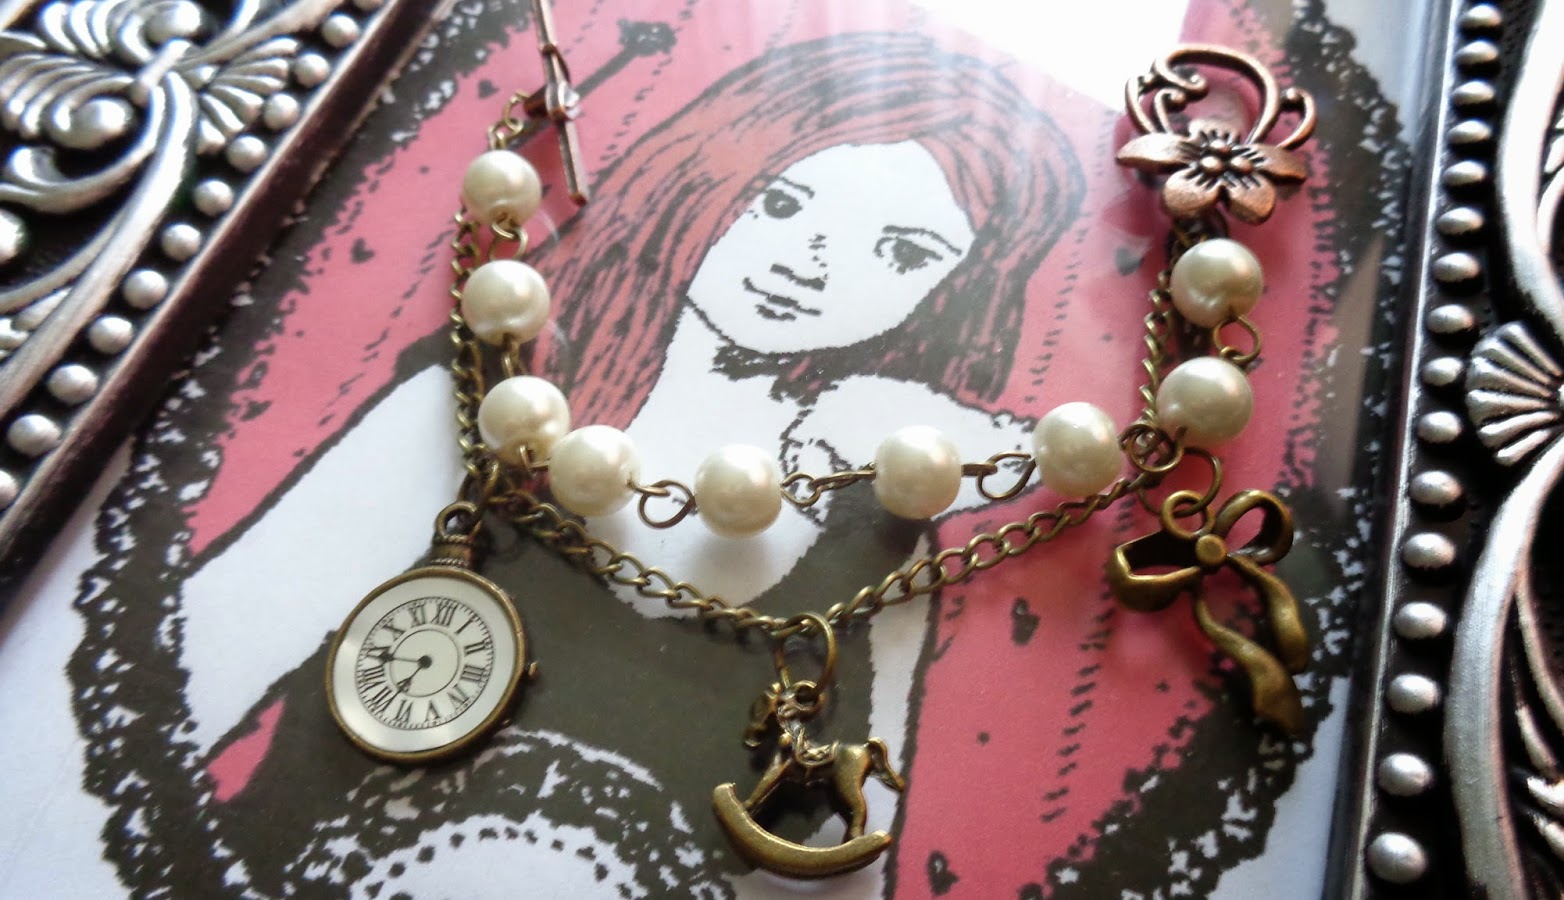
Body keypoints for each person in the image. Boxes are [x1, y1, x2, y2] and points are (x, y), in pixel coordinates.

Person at [66, 29, 1087, 897]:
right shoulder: (488, 417)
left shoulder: (879, 523)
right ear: (707, 169)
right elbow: (171, 692)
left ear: (955, 294)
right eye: (782, 204)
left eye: (903, 253)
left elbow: (855, 846)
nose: (812, 264)